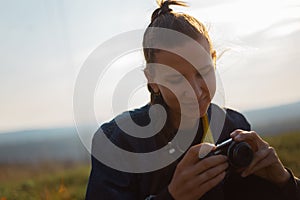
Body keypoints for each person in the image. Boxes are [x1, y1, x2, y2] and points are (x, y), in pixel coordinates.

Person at [86, 0, 300, 199]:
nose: (195, 91)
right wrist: (171, 196)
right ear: (152, 80)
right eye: (176, 79)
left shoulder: (233, 126)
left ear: (214, 61)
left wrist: (282, 180)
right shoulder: (117, 142)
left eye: (203, 72)